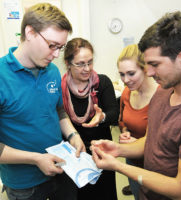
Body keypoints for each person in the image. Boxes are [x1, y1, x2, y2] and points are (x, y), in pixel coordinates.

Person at [91, 11, 181, 200]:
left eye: (155, 64)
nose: (149, 73)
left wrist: (119, 166)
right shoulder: (163, 91)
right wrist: (119, 150)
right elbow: (151, 140)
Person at [0, 3, 85, 200]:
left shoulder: (52, 71)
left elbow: (58, 110)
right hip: (24, 185)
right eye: (52, 45)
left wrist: (73, 135)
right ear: (30, 32)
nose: (56, 55)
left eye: (60, 48)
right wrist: (36, 159)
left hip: (63, 168)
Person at [62, 37, 119, 200]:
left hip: (101, 151)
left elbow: (115, 113)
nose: (87, 68)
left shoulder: (102, 83)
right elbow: (59, 119)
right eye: (80, 64)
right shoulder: (60, 88)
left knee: (105, 194)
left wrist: (102, 118)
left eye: (90, 62)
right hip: (76, 155)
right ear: (68, 63)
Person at [117, 44, 158, 199]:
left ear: (145, 69)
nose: (125, 80)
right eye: (121, 74)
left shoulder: (161, 96)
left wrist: (139, 143)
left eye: (131, 73)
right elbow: (123, 121)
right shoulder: (127, 92)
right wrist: (125, 133)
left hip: (154, 165)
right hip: (133, 160)